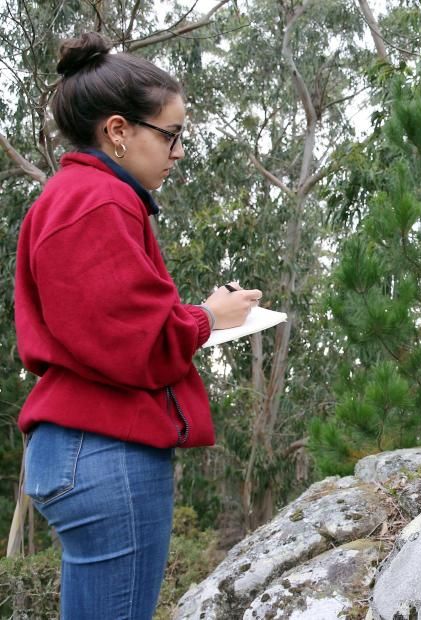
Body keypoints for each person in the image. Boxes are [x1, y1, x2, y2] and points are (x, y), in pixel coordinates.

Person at [14, 32, 261, 619]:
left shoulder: (75, 197)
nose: (178, 152)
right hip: (106, 449)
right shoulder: (97, 202)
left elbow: (106, 325)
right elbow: (133, 343)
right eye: (171, 134)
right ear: (119, 131)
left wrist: (195, 314)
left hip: (81, 447)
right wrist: (207, 318)